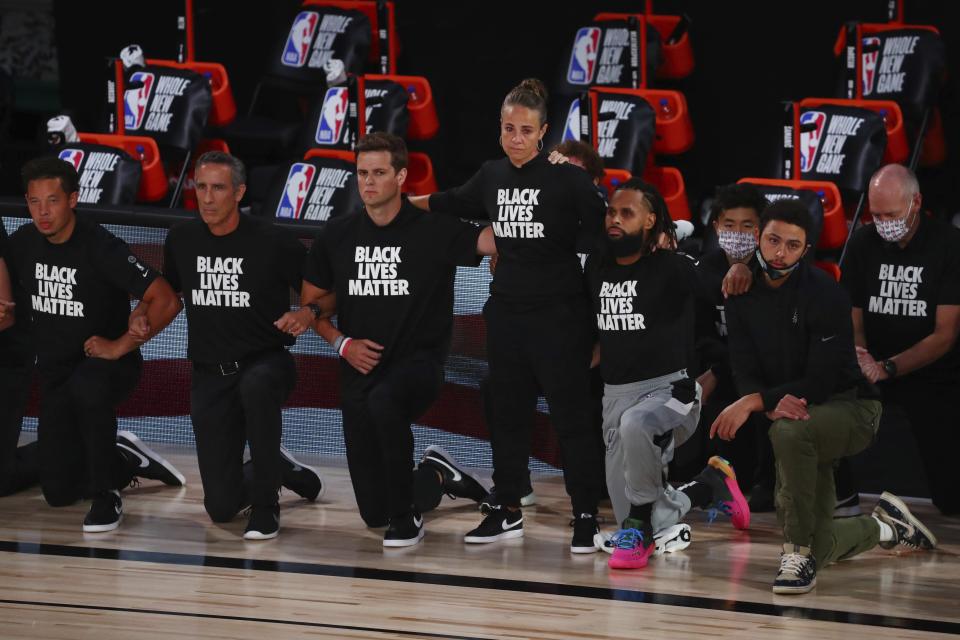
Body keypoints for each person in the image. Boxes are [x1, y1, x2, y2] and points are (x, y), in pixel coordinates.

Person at [408, 78, 606, 553]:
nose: (515, 138)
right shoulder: (492, 175)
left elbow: (605, 243)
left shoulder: (570, 180)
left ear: (543, 133)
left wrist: (600, 331)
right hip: (508, 318)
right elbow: (449, 201)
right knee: (509, 416)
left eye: (525, 129)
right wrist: (395, 205)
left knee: (573, 421)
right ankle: (508, 510)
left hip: (561, 320)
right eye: (508, 128)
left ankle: (585, 516)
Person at [712, 199, 936, 594]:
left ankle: (795, 552)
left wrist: (753, 403)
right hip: (792, 410)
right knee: (820, 538)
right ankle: (885, 527)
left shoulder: (825, 293)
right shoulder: (741, 291)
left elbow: (820, 381)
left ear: (807, 249)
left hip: (851, 407)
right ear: (757, 239)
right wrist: (761, 398)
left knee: (787, 433)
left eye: (793, 245)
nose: (780, 252)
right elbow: (744, 369)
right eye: (773, 240)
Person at [301, 132, 496, 546]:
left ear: (402, 176)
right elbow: (312, 305)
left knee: (384, 401)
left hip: (418, 364)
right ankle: (437, 474)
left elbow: (495, 238)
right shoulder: (336, 234)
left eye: (379, 173)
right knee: (374, 512)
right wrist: (342, 344)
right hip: (357, 365)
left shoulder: (434, 228)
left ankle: (407, 518)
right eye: (362, 173)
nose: (368, 182)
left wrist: (538, 193)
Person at [4, 157, 183, 532]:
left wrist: (120, 346)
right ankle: (123, 457)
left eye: (52, 200)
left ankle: (108, 495)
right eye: (35, 202)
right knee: (57, 493)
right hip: (55, 374)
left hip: (106, 365)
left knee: (89, 386)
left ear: (73, 199)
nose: (43, 212)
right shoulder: (21, 243)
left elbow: (166, 300)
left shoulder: (101, 246)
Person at [587, 179, 750, 570]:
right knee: (642, 501)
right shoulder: (594, 265)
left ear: (650, 221)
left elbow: (721, 280)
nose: (615, 219)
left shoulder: (673, 267)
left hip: (673, 392)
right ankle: (707, 486)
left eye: (627, 213)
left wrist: (743, 265)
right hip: (616, 393)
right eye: (612, 211)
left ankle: (638, 530)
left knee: (636, 426)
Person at [162, 151, 325, 540]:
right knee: (220, 509)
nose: (207, 197)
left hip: (266, 363)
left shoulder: (273, 242)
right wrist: (137, 320)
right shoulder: (181, 239)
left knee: (256, 387)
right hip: (209, 375)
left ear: (239, 192)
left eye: (217, 188)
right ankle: (277, 469)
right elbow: (167, 296)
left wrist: (309, 311)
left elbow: (324, 291)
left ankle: (267, 508)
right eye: (200, 187)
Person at [841, 164, 960, 515]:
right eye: (875, 215)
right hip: (871, 365)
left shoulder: (949, 245)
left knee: (951, 498)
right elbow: (853, 315)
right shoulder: (863, 242)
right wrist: (862, 356)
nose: (882, 223)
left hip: (934, 371)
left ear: (916, 202)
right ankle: (841, 498)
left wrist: (888, 367)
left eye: (890, 214)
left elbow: (945, 335)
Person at [681, 183, 775, 511]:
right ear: (717, 226)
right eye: (730, 225)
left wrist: (723, 370)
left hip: (764, 372)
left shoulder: (773, 273)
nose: (738, 233)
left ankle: (768, 480)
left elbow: (773, 344)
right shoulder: (704, 271)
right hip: (722, 369)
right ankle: (718, 477)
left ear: (762, 229)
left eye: (747, 226)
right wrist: (721, 368)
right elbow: (701, 337)